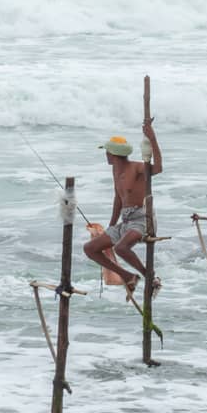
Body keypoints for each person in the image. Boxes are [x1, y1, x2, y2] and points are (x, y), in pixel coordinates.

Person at [83, 121, 163, 301]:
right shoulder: (116, 171)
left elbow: (158, 168)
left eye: (107, 152)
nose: (106, 155)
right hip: (125, 221)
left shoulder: (135, 167)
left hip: (142, 219)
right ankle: (129, 277)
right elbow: (118, 199)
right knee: (90, 249)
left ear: (113, 154)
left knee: (121, 248)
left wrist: (152, 138)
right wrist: (110, 227)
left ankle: (150, 277)